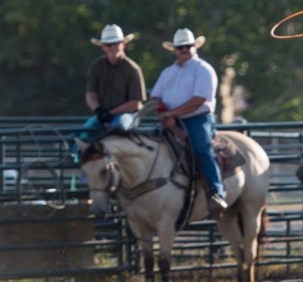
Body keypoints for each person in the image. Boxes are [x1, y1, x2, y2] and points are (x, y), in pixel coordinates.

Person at [150, 28, 228, 216]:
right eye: (180, 47)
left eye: (187, 46)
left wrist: (171, 114)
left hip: (197, 119)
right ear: (174, 49)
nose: (184, 49)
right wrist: (164, 114)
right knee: (150, 146)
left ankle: (216, 193)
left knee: (202, 149)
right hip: (171, 119)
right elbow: (155, 98)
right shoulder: (168, 72)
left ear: (194, 47)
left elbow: (199, 100)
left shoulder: (203, 69)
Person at [84, 24, 146, 132]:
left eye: (116, 43)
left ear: (123, 44)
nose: (113, 47)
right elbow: (90, 94)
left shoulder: (132, 69)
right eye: (109, 44)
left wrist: (109, 113)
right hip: (103, 114)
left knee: (118, 129)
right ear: (102, 46)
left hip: (128, 115)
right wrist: (99, 110)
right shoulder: (96, 67)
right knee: (78, 136)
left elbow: (135, 102)